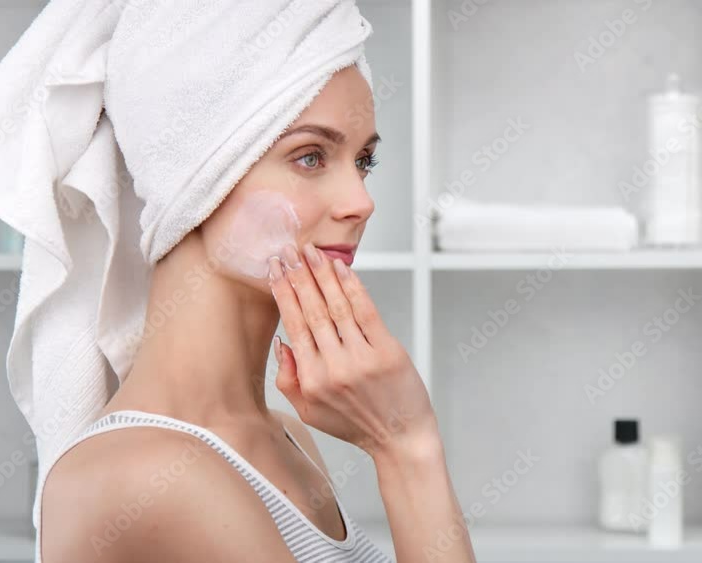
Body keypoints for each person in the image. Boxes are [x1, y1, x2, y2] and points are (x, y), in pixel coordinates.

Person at [37, 64, 476, 563]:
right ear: (195, 179)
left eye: (363, 162)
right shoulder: (154, 475)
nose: (361, 202)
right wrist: (406, 447)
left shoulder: (286, 435)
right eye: (310, 156)